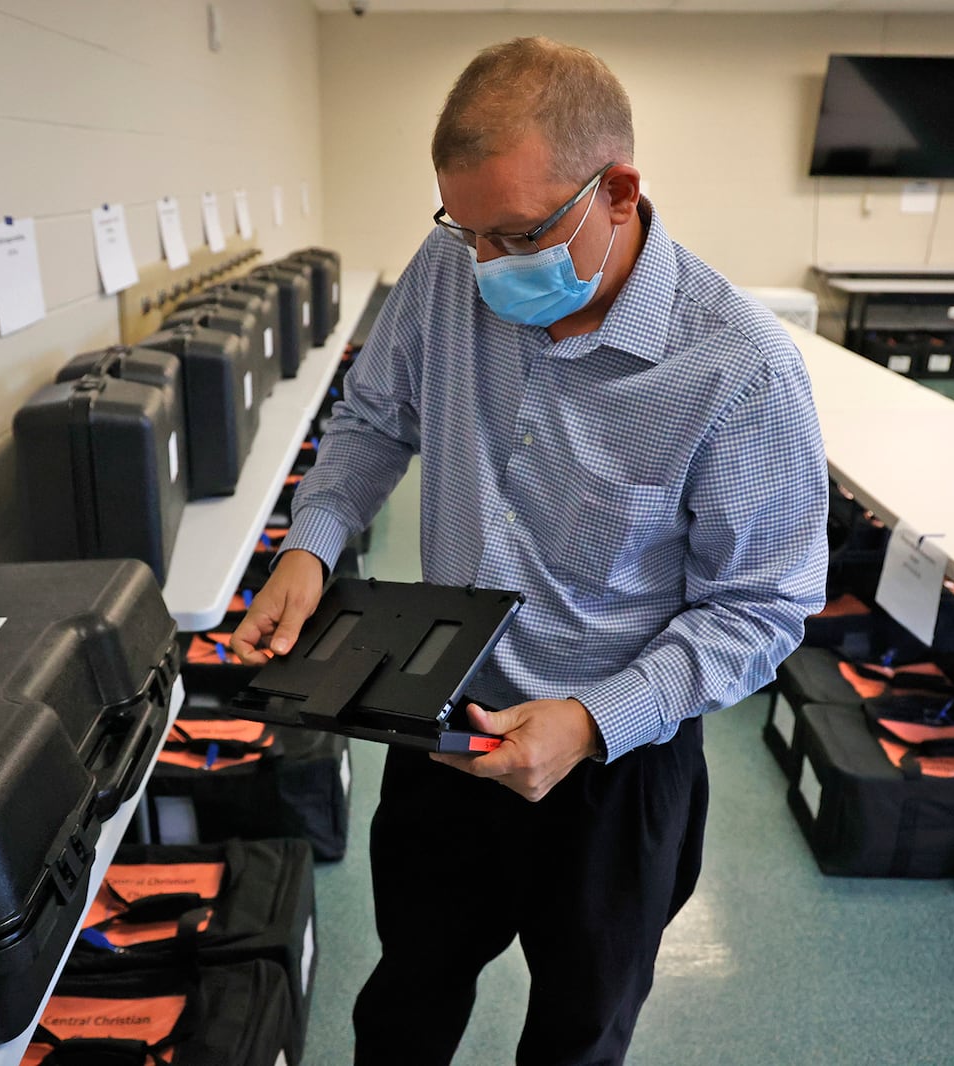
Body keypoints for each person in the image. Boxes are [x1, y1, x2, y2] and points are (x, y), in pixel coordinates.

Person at [232, 36, 828, 1066]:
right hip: (445, 724)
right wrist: (310, 546)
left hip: (615, 761)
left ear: (620, 190)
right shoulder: (445, 270)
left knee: (578, 1030)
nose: (487, 267)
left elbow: (758, 612)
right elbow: (376, 422)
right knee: (407, 999)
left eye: (515, 234)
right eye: (467, 234)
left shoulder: (740, 369)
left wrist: (592, 723)